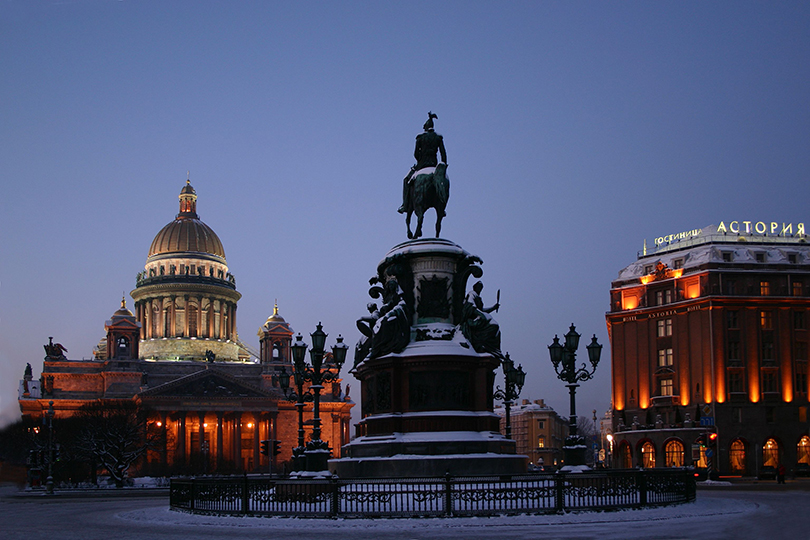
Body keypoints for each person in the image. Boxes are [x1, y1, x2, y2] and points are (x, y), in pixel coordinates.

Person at [399, 112, 447, 213]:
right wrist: (443, 166)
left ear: (425, 128)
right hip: (434, 164)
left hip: (422, 165)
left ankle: (405, 205)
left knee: (406, 180)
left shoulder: (420, 138)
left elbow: (416, 154)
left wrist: (420, 160)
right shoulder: (438, 138)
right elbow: (443, 154)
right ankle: (442, 209)